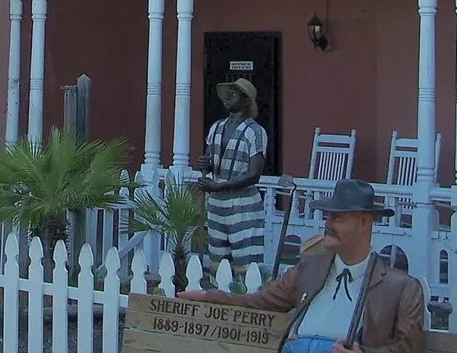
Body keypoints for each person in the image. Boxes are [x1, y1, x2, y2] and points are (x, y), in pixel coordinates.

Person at [182, 179, 425, 353]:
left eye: (337, 217)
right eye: (327, 216)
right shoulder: (310, 268)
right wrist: (209, 296)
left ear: (363, 222)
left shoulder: (402, 288)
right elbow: (260, 301)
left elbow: (408, 346)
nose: (327, 224)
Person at [197, 78, 268, 278]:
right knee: (218, 264)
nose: (227, 98)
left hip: (243, 205)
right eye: (227, 94)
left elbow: (254, 174)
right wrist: (205, 164)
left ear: (246, 102)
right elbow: (211, 160)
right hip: (217, 204)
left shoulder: (256, 132)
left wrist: (219, 186)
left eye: (233, 94)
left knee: (246, 267)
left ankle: (245, 302)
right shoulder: (216, 128)